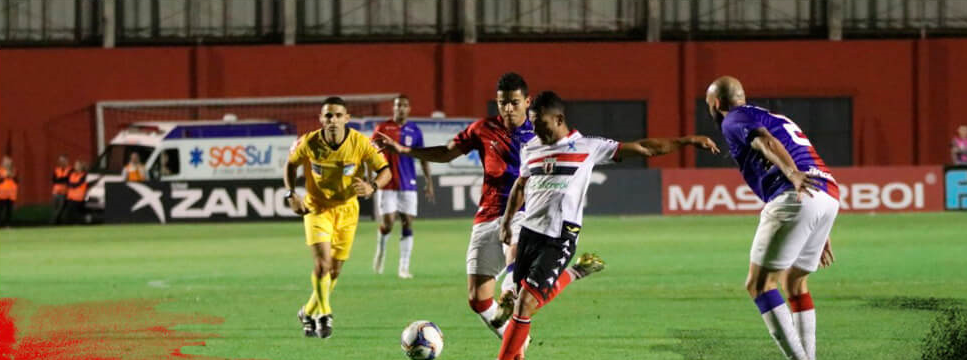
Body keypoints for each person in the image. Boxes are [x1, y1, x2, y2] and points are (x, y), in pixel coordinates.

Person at [495, 91, 719, 359]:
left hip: (559, 236)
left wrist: (687, 141)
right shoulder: (530, 148)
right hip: (530, 232)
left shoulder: (587, 147)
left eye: (541, 125)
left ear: (559, 119)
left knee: (525, 304)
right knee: (525, 305)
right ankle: (574, 274)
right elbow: (522, 183)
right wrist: (508, 221)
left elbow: (644, 148)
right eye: (533, 125)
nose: (537, 131)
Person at [376, 73, 598, 342]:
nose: (508, 109)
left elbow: (574, 155)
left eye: (515, 103)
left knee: (516, 267)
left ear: (527, 102)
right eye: (503, 103)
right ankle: (517, 332)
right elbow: (447, 152)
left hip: (526, 213)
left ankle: (511, 296)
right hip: (488, 214)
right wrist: (402, 149)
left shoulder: (542, 133)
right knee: (478, 299)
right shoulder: (482, 129)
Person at [706, 76, 838, 360]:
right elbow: (800, 151)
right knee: (794, 282)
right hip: (825, 193)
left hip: (795, 191)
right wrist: (818, 226)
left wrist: (791, 174)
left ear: (716, 104)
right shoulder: (773, 115)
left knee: (759, 285)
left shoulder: (733, 118)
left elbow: (765, 142)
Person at [286, 96, 391, 339]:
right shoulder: (309, 142)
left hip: (347, 211)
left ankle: (307, 311)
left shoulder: (360, 143)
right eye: (328, 116)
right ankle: (325, 313)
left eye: (337, 115)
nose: (333, 120)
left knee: (334, 271)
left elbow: (385, 170)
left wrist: (372, 186)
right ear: (321, 119)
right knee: (322, 264)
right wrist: (291, 194)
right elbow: (290, 165)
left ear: (347, 118)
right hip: (316, 208)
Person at [371, 95, 435, 279]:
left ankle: (403, 268)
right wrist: (369, 177)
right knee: (388, 223)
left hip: (408, 183)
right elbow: (369, 153)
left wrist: (429, 182)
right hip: (386, 183)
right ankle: (381, 251)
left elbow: (422, 157)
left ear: (409, 109)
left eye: (404, 105)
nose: (401, 108)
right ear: (393, 108)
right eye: (398, 105)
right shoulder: (382, 129)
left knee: (407, 222)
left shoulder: (415, 131)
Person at [50, 155, 72, 224]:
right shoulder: (57, 169)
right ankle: (57, 222)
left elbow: (67, 179)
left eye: (63, 160)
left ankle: (53, 221)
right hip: (55, 192)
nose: (61, 162)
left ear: (66, 161)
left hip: (64, 192)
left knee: (60, 208)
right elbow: (54, 180)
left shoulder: (70, 169)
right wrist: (61, 179)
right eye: (60, 160)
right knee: (55, 208)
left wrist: (59, 179)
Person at [0, 155, 17, 228]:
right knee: (1, 209)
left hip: (11, 194)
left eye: (9, 162)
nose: (7, 163)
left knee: (9, 210)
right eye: (6, 162)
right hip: (2, 194)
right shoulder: (1, 170)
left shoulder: (14, 170)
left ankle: (7, 224)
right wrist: (4, 177)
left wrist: (11, 175)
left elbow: (17, 181)